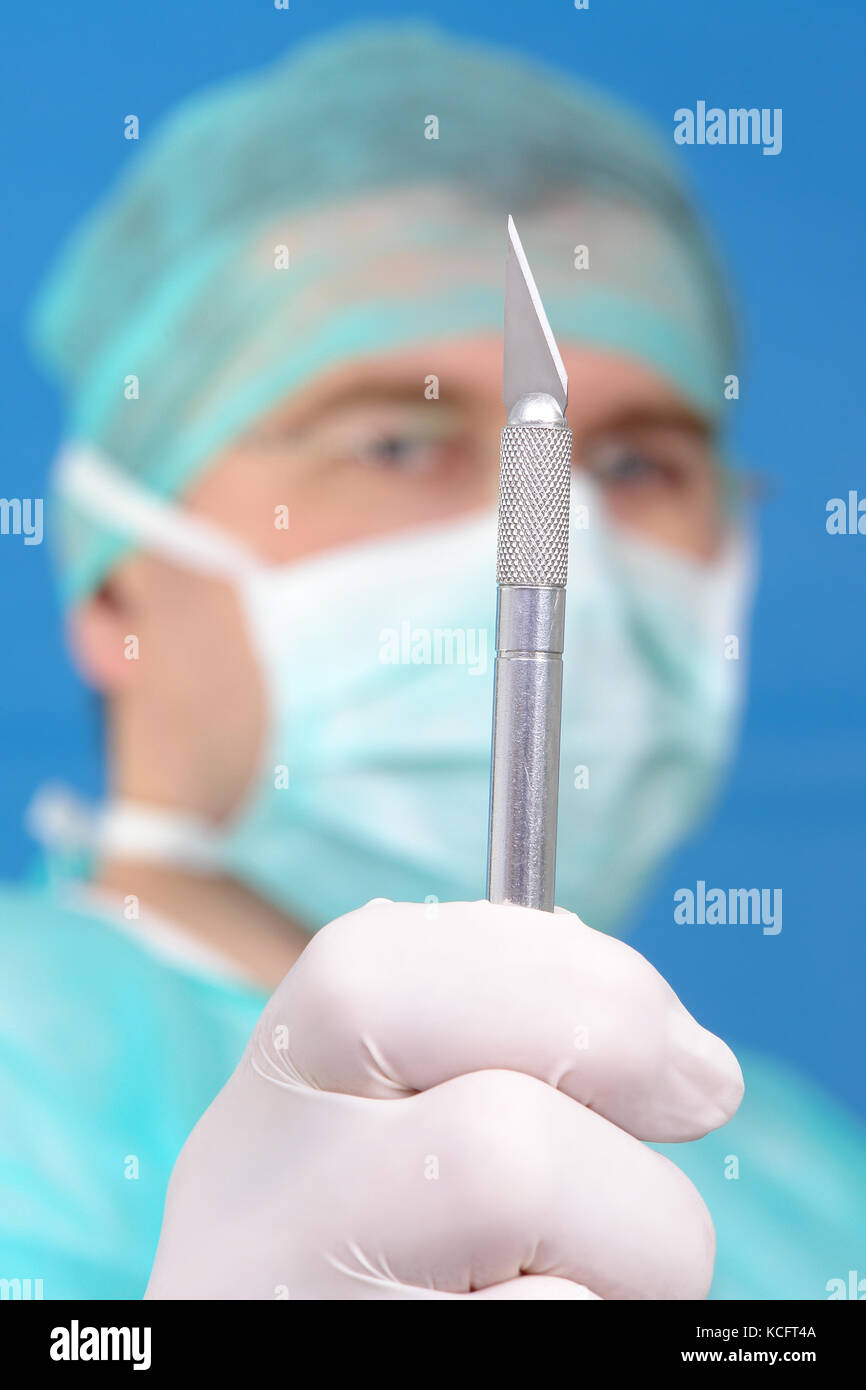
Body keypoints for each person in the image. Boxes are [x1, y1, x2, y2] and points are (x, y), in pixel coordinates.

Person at [1, 23, 863, 1300]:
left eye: (637, 463)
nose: (560, 519)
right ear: (119, 574)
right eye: (395, 446)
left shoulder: (796, 1178)